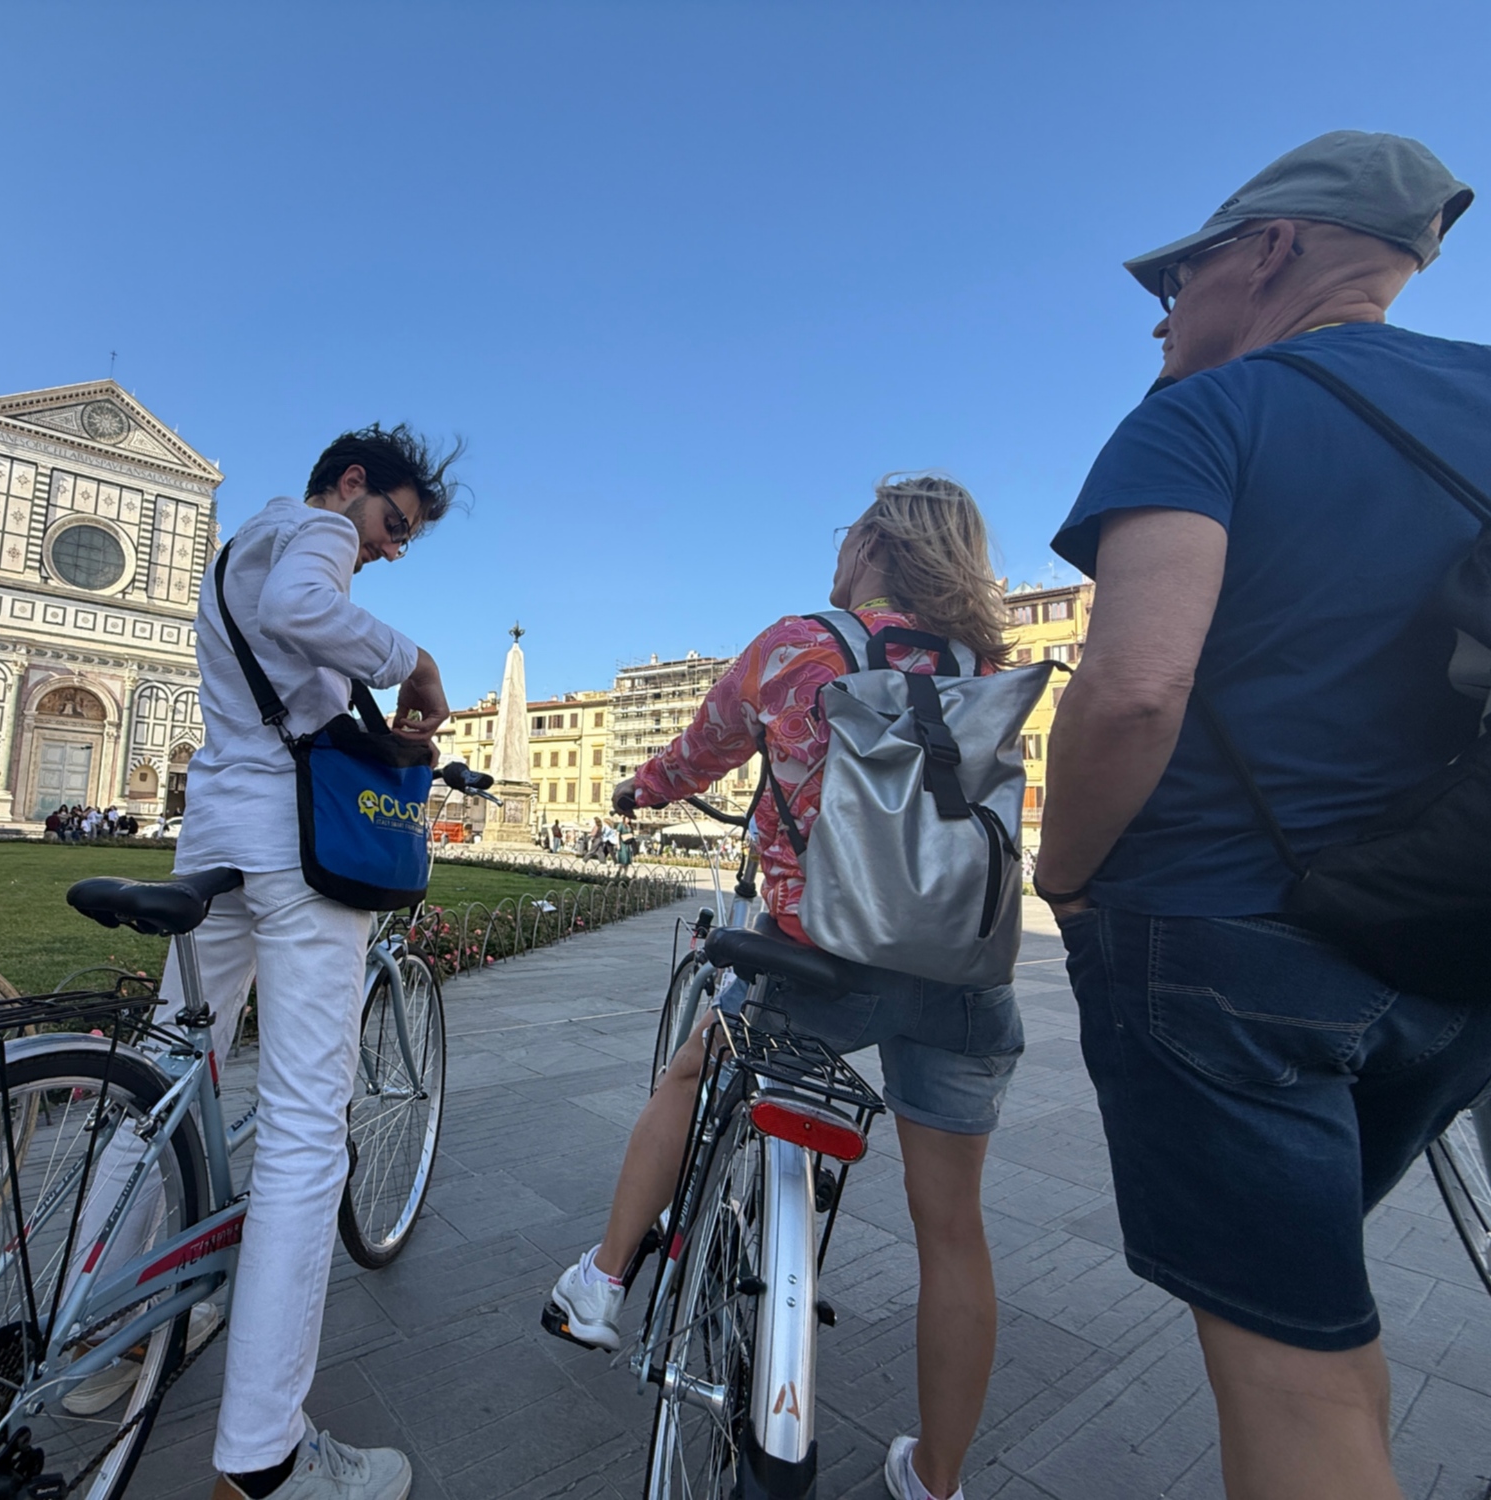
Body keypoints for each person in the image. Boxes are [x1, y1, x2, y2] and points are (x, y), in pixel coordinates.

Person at [1034, 132, 1491, 1500]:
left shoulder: (1204, 413)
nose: (1163, 310)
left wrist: (1064, 876)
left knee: (1301, 1365)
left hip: (1229, 946)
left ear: (1271, 249)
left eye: (1177, 273)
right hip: (1454, 936)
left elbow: (1132, 689)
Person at [548, 476, 1020, 1500]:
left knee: (686, 1075)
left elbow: (699, 751)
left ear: (872, 543)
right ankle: (933, 1477)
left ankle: (600, 1280)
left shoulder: (796, 644)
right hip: (958, 967)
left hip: (816, 959)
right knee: (953, 1232)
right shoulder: (985, 665)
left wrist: (639, 789)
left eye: (847, 530)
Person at [68, 424, 459, 1500]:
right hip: (296, 850)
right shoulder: (310, 530)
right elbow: (304, 610)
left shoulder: (238, 545)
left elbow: (283, 675)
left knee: (163, 1077)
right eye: (392, 523)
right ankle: (265, 1455)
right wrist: (408, 657)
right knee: (301, 1133)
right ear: (349, 485)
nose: (386, 548)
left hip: (218, 831)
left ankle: (92, 1350)